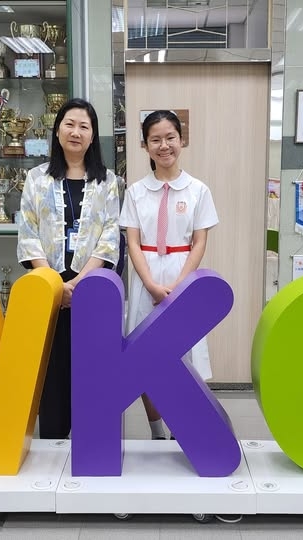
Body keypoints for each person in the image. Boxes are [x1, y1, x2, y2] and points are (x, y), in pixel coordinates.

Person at [17, 98, 120, 439]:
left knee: (92, 367)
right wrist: (54, 285)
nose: (76, 132)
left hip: (92, 284)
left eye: (84, 126)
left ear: (93, 136)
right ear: (58, 130)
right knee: (52, 366)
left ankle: (92, 441)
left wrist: (79, 283)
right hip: (48, 285)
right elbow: (28, 232)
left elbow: (110, 236)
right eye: (70, 124)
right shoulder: (36, 178)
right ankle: (53, 438)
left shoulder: (107, 181)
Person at [120, 110, 219, 441]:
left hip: (182, 276)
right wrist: (150, 284)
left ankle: (182, 428)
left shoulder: (198, 190)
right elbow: (132, 242)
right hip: (145, 276)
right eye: (155, 140)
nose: (164, 146)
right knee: (146, 357)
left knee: (183, 355)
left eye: (170, 138)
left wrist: (179, 286)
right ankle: (157, 432)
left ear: (181, 140)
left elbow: (199, 241)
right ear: (145, 145)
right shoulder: (135, 192)